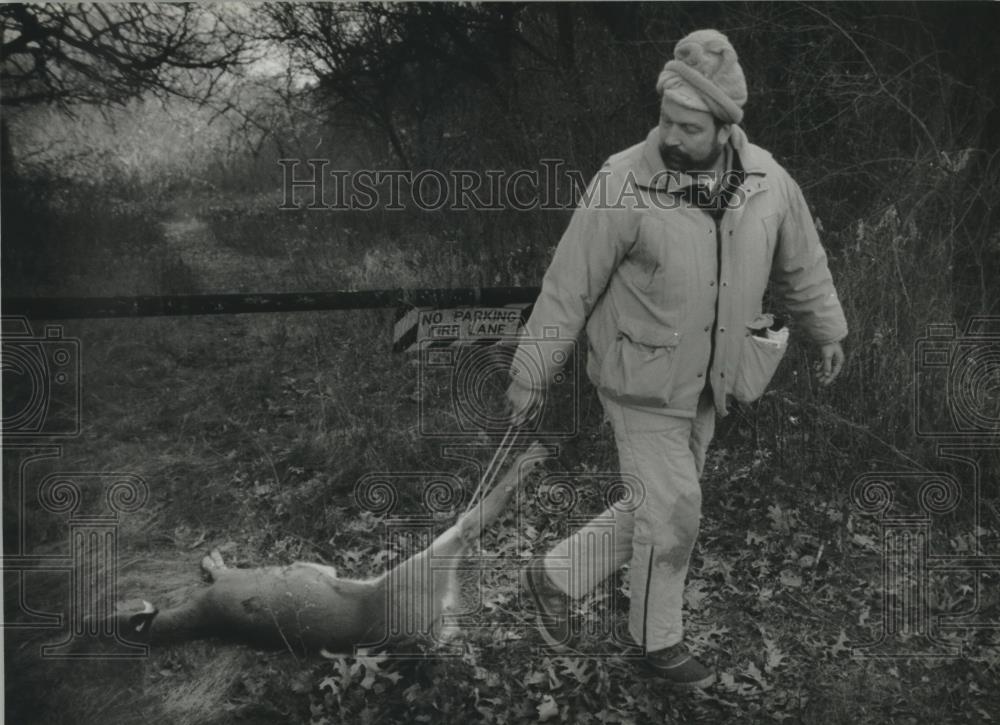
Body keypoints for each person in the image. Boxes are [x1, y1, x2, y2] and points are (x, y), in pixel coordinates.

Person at [507, 29, 847, 690]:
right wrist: (530, 372)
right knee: (675, 512)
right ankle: (654, 641)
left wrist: (826, 327)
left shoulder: (768, 182)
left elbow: (803, 258)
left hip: (708, 380)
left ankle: (554, 575)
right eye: (665, 119)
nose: (669, 135)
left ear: (724, 128)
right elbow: (568, 283)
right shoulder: (624, 179)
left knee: (655, 503)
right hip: (637, 379)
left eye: (688, 127)